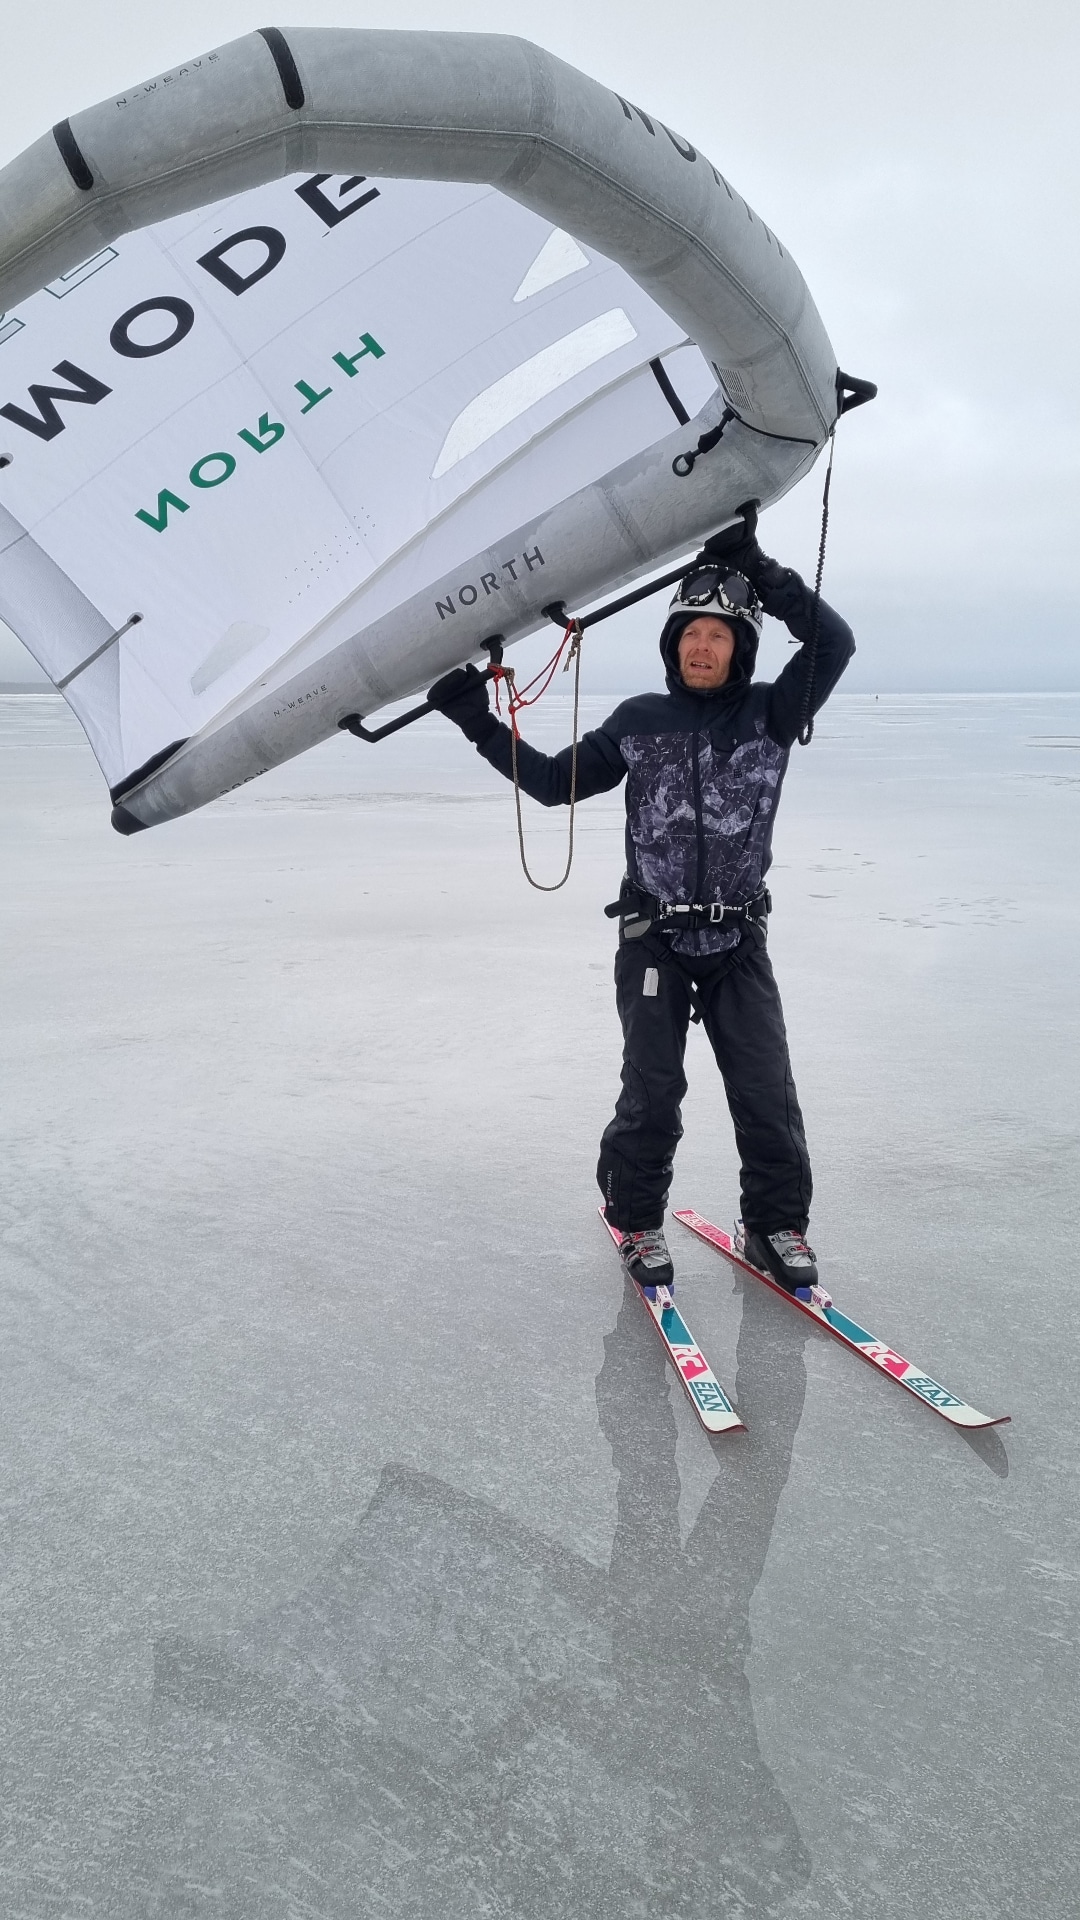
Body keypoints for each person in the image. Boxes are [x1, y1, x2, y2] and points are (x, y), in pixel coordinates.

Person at [429, 504, 855, 1298]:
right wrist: (478, 726)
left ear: (741, 647)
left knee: (764, 1089)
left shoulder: (775, 711)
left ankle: (772, 1224)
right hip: (653, 938)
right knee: (653, 1088)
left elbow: (835, 642)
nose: (702, 644)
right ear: (671, 644)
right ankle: (635, 1216)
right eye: (690, 632)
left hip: (737, 941)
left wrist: (759, 569)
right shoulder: (639, 722)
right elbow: (555, 783)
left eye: (718, 634)